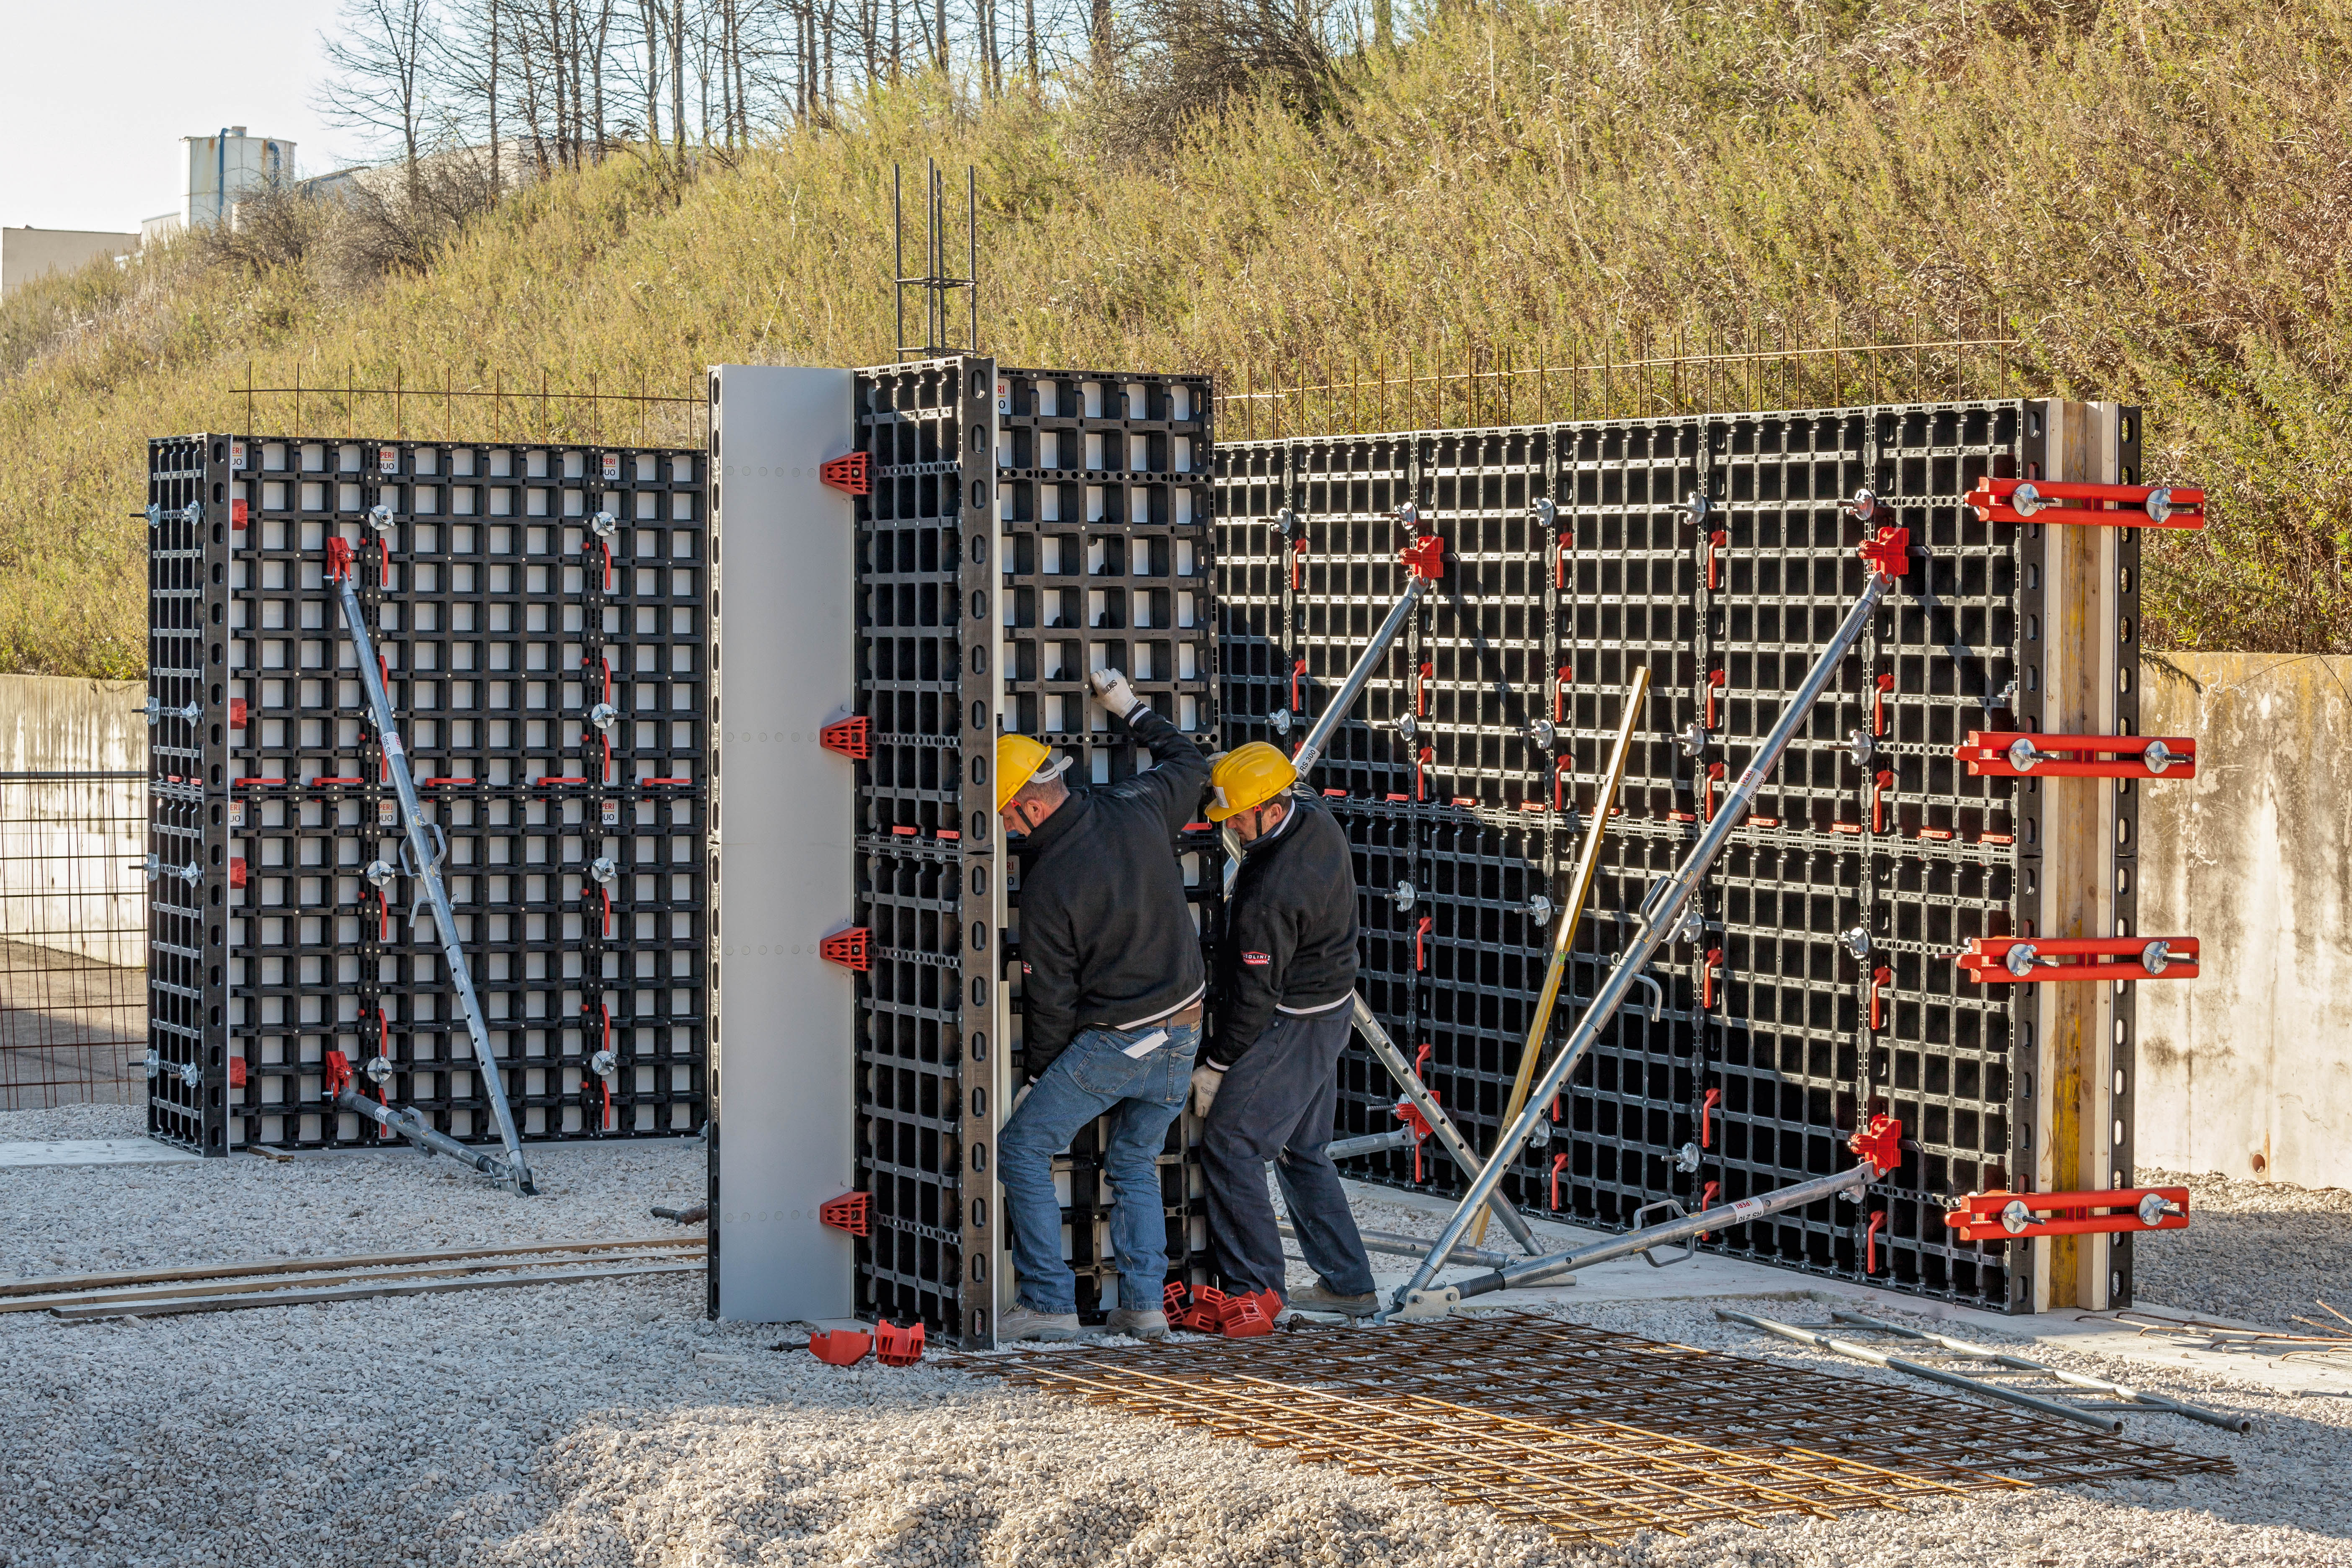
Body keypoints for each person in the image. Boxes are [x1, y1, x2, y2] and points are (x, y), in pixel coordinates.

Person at [995, 668, 1210, 1344]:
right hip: (1187, 1026)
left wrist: (1038, 1076)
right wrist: (1129, 709)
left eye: (1003, 813)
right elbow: (1191, 762)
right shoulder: (1137, 803)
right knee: (1133, 1161)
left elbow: (1052, 999)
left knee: (1023, 1148)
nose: (1003, 827)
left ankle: (1050, 1305)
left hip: (1122, 1039)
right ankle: (1144, 1308)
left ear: (1029, 806)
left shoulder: (1050, 882)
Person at [1192, 742, 1378, 1317]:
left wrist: (1218, 1066)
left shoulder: (1270, 892)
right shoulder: (1313, 813)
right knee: (1303, 1149)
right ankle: (1349, 1285)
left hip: (1293, 1023)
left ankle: (1257, 1292)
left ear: (1270, 810)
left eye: (1239, 819)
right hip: (1331, 1010)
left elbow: (1254, 999)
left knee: (1232, 1142)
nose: (1233, 830)